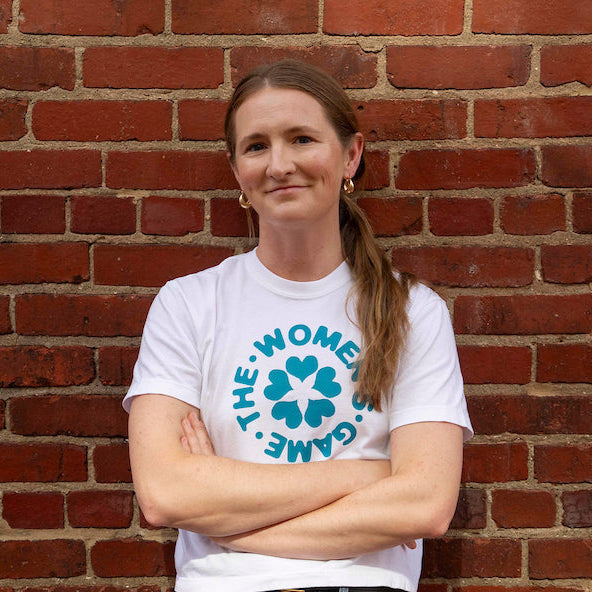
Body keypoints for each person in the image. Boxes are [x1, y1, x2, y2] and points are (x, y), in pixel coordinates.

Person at [124, 59, 473, 592]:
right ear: (236, 169)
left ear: (351, 155)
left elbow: (425, 505)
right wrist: (368, 474)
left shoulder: (413, 310)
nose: (279, 164)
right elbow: (165, 495)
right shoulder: (188, 304)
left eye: (302, 139)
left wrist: (229, 524)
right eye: (256, 146)